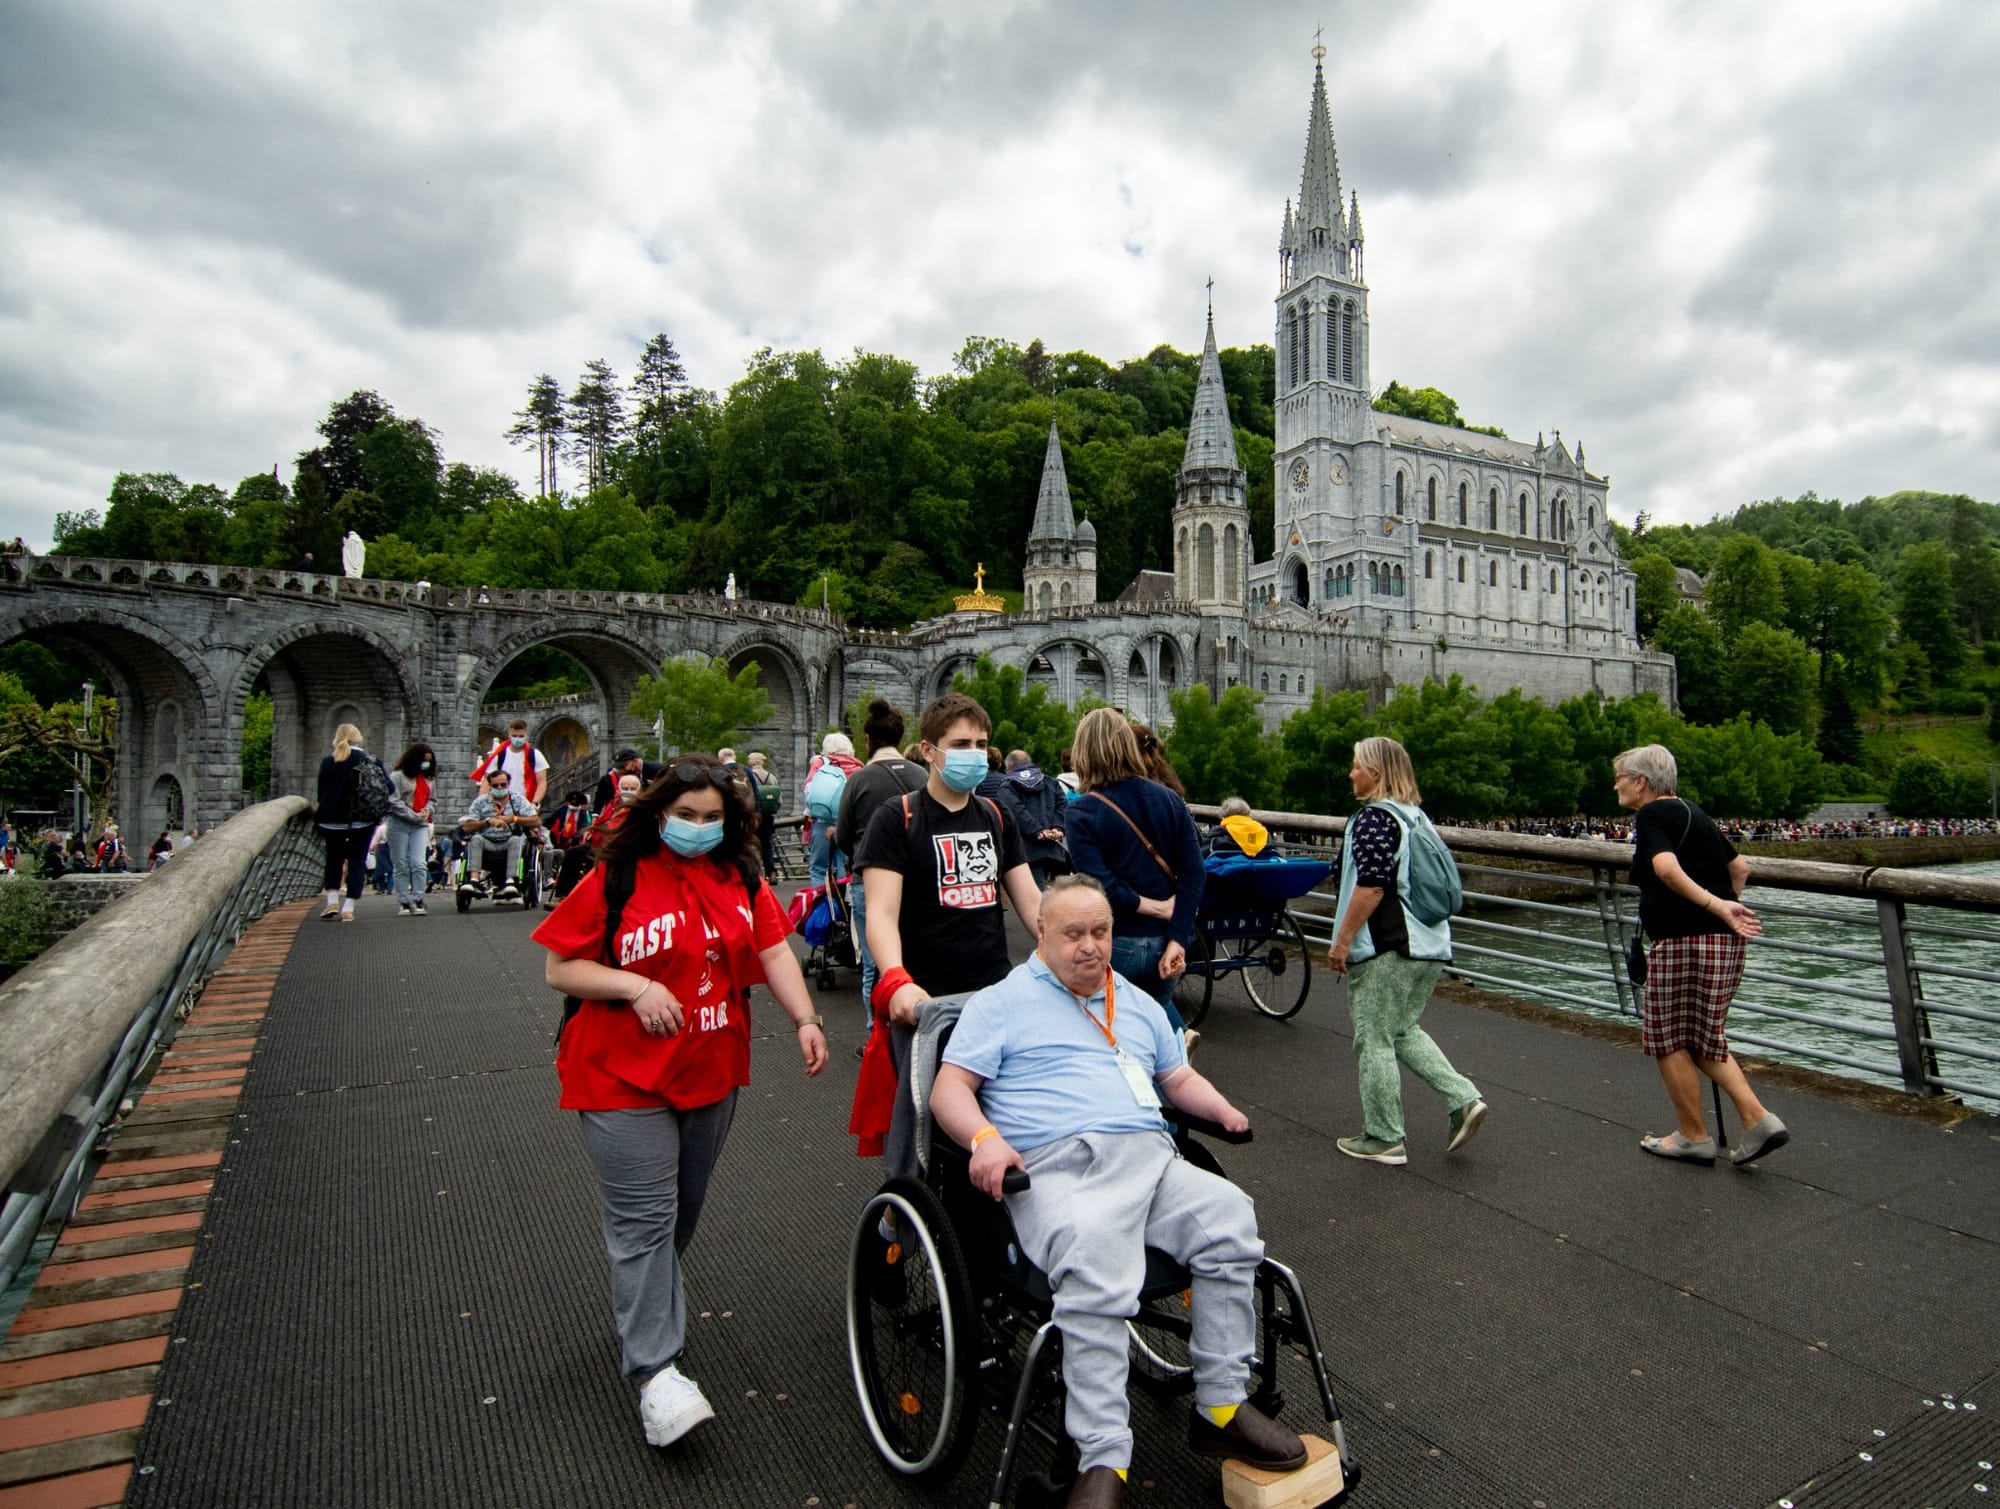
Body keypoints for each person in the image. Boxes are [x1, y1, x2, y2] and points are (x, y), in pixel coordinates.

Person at [930, 876, 1308, 1507]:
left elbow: (1174, 1075)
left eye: (1100, 932)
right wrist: (985, 1140)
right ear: (1042, 933)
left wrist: (1224, 1111)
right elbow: (949, 1089)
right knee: (1096, 1253)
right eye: (1074, 933)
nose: (1090, 947)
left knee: (1229, 1217)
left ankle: (1219, 1406)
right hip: (1057, 1164)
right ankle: (1103, 1455)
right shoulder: (1001, 1002)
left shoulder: (1133, 1000)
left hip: (1150, 1159)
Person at [532, 755, 829, 1447]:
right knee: (644, 1221)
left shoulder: (739, 875)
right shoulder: (620, 875)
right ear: (659, 813)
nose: (696, 827)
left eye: (710, 817)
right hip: (618, 1075)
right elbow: (559, 966)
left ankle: (648, 1318)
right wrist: (634, 987)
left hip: (710, 1068)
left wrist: (807, 1019)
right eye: (684, 815)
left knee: (677, 1216)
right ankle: (655, 1373)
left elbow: (775, 948)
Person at [849, 692, 1042, 1172]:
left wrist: (1074, 951)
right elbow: (880, 913)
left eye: (981, 744)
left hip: (992, 993)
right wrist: (895, 978)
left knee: (999, 1113)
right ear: (929, 751)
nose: (974, 753)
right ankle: (901, 1212)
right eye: (960, 743)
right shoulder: (897, 818)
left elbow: (1033, 903)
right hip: (925, 1002)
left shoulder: (997, 817)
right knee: (919, 1125)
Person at [1614, 744, 1788, 1166]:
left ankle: (1694, 1135)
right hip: (1721, 943)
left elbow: (1666, 869)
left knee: (1667, 1037)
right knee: (1705, 1036)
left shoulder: (1652, 815)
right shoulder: (1696, 813)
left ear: (1641, 782)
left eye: (1619, 777)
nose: (1615, 784)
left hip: (1682, 942)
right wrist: (1726, 909)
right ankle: (1758, 1120)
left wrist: (1715, 907)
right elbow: (1740, 868)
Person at [1324, 736, 1487, 1166]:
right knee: (1402, 1031)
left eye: (1357, 766)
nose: (1351, 773)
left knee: (1373, 1039)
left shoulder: (1374, 819)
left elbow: (1372, 885)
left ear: (1375, 773)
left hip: (1386, 947)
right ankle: (1463, 1098)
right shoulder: (1416, 817)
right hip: (1429, 943)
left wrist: (1342, 941)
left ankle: (1383, 1137)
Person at [1062, 708, 1202, 1038]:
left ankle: (1172, 1052)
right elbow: (1194, 873)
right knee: (1150, 1017)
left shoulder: (1081, 811)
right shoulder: (1169, 799)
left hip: (1118, 941)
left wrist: (1149, 906)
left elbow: (1100, 885)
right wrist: (1178, 936)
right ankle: (1176, 1046)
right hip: (1167, 941)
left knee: (1110, 1036)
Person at [833, 700, 927, 1028]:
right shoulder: (921, 774)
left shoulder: (859, 780)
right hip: (916, 877)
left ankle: (878, 1034)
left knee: (875, 963)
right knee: (916, 953)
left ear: (869, 739)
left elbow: (843, 836)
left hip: (868, 880)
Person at [314, 723, 376, 921]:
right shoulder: (370, 761)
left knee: (333, 859)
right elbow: (388, 789)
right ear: (359, 738)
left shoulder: (328, 761)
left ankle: (332, 900)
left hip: (331, 821)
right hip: (362, 821)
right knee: (357, 862)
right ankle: (348, 908)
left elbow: (320, 793)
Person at [457, 769, 542, 901]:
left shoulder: (517, 799)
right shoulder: (481, 802)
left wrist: (513, 819)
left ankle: (510, 882)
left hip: (509, 841)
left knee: (515, 839)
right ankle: (474, 881)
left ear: (508, 784)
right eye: (495, 786)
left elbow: (536, 820)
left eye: (503, 785)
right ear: (490, 786)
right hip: (487, 841)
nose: (499, 788)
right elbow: (467, 827)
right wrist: (487, 821)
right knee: (475, 838)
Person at [998, 748, 1070, 888]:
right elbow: (1063, 805)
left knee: (1039, 898)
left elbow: (1017, 812)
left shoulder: (1007, 786)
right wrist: (1057, 827)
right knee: (1063, 896)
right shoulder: (1050, 781)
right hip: (1056, 847)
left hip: (1028, 851)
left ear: (1008, 767)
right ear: (1029, 762)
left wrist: (1038, 831)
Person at [801, 732, 863, 886]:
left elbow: (808, 790)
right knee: (841, 864)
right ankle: (841, 900)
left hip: (822, 820)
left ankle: (823, 905)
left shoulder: (822, 762)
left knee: (818, 868)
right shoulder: (858, 766)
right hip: (846, 823)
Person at [387, 743, 439, 916]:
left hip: (420, 825)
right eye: (424, 761)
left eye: (429, 762)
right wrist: (412, 814)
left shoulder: (429, 778)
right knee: (401, 864)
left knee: (419, 863)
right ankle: (403, 901)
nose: (427, 765)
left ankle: (418, 898)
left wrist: (427, 811)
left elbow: (433, 801)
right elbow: (392, 801)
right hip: (399, 824)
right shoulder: (397, 776)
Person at [468, 719, 550, 808]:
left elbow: (541, 783)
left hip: (526, 804)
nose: (518, 739)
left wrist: (535, 803)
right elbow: (487, 781)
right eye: (515, 736)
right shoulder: (499, 755)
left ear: (527, 734)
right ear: (509, 734)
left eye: (521, 736)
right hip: (500, 804)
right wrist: (481, 803)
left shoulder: (535, 755)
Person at [547, 789, 595, 900]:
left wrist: (574, 838)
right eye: (571, 800)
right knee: (568, 854)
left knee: (575, 852)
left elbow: (585, 827)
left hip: (577, 841)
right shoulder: (562, 811)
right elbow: (549, 821)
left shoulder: (584, 814)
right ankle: (563, 892)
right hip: (560, 840)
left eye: (576, 801)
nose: (573, 803)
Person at [744, 752, 781, 879]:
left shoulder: (747, 777)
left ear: (751, 763)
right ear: (762, 762)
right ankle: (772, 873)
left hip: (753, 816)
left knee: (752, 845)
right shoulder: (771, 777)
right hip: (767, 816)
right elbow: (779, 800)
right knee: (767, 845)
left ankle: (757, 874)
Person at [593, 748, 664, 813]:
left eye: (623, 766)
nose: (620, 770)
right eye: (618, 767)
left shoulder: (657, 770)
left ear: (635, 761)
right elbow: (600, 796)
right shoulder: (612, 775)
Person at [1205, 797, 1272, 858]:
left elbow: (1201, 856)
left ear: (1224, 816)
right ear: (1247, 814)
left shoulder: (1217, 836)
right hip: (1260, 870)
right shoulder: (1265, 834)